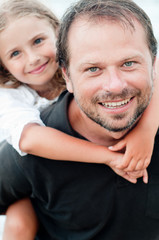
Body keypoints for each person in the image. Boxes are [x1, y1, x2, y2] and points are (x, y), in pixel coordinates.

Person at [0, 0, 159, 239]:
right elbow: (29, 140)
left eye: (38, 41)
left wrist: (146, 130)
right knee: (19, 221)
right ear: (68, 75)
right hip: (28, 167)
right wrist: (110, 158)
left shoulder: (90, 51)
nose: (33, 58)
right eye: (93, 69)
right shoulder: (14, 107)